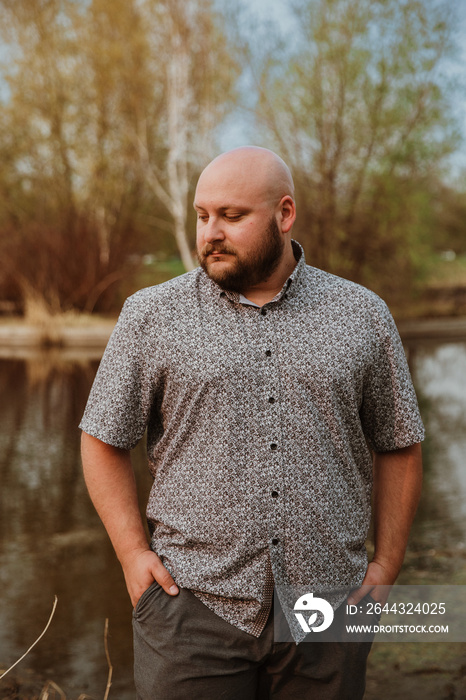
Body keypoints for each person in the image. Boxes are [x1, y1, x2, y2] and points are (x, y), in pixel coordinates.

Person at [80, 146, 424, 699]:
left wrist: (385, 566)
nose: (210, 233)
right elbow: (101, 438)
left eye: (231, 216)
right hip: (188, 609)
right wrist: (132, 556)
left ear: (284, 215)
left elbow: (400, 444)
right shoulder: (151, 315)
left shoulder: (362, 315)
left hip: (329, 612)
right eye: (202, 215)